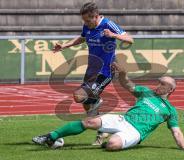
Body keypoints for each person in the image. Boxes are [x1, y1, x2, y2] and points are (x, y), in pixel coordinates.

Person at [32, 62, 184, 151]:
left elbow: (176, 131)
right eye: (159, 82)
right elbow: (127, 85)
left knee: (112, 145)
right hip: (122, 119)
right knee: (89, 122)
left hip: (135, 132)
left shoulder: (170, 110)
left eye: (162, 84)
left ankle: (107, 140)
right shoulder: (145, 92)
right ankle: (51, 136)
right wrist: (123, 74)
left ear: (170, 90)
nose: (158, 85)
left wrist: (183, 146)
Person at [51, 2, 134, 145]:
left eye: (88, 21)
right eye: (84, 21)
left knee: (79, 96)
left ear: (96, 16)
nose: (86, 23)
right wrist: (65, 45)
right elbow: (82, 37)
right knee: (87, 105)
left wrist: (113, 34)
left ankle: (98, 106)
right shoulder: (87, 26)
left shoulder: (108, 24)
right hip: (92, 70)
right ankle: (102, 131)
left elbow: (130, 39)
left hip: (106, 71)